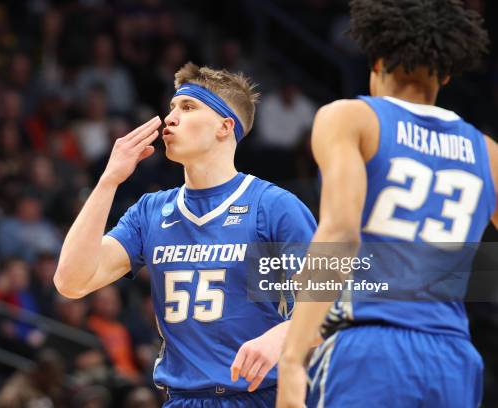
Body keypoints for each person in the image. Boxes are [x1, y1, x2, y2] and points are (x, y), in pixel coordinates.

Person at [54, 62, 316, 407]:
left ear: (225, 127)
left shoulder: (274, 206)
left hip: (262, 396)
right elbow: (72, 281)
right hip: (181, 399)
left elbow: (334, 302)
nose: (170, 118)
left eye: (188, 107)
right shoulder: (150, 211)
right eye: (172, 107)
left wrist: (283, 334)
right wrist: (109, 181)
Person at [277, 1, 495, 407]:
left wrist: (292, 358)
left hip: (370, 348)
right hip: (454, 358)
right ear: (446, 73)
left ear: (376, 60)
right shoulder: (488, 152)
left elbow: (341, 233)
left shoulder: (350, 118)